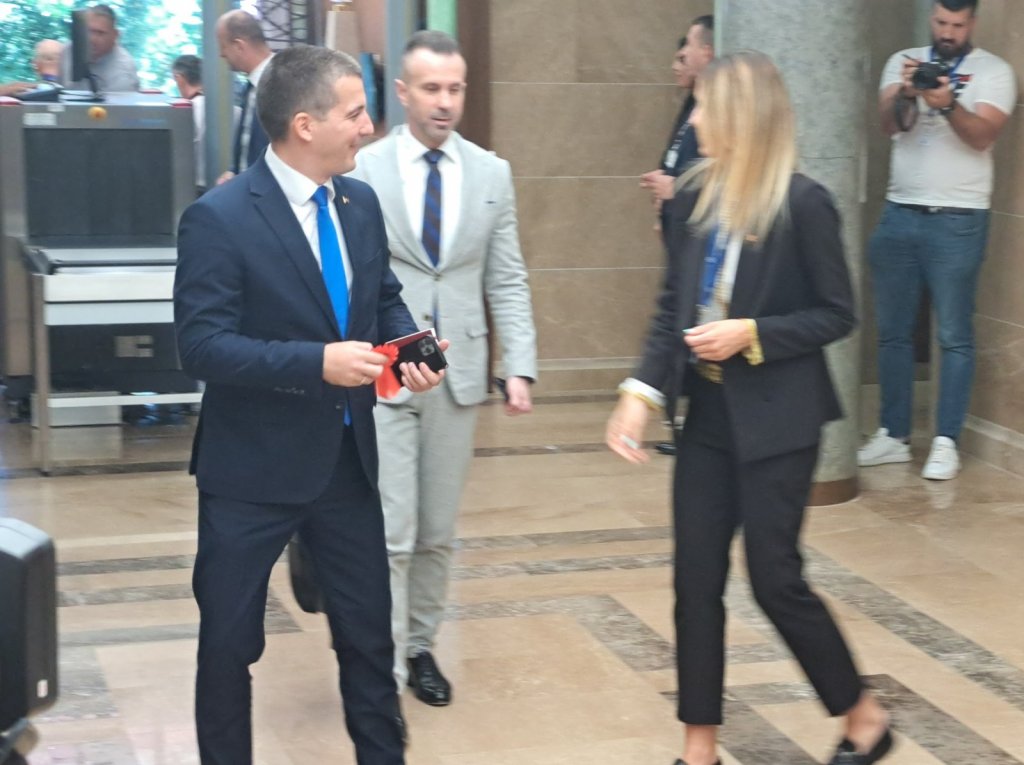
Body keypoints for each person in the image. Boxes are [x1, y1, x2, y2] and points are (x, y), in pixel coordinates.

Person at [605, 52, 892, 765]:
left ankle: (863, 715)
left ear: (740, 116)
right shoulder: (691, 201)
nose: (694, 119)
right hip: (706, 417)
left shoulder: (804, 204)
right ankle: (698, 748)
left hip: (779, 421)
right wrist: (639, 395)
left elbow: (838, 313)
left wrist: (753, 334)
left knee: (775, 580)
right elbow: (672, 308)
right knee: (694, 582)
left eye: (704, 107)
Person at [174, 44, 446, 764]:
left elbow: (382, 300)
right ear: (305, 124)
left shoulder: (359, 205)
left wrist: (409, 349)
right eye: (355, 113)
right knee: (227, 646)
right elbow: (201, 347)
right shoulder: (219, 218)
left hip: (346, 468)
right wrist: (315, 364)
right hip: (249, 476)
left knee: (369, 639)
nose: (368, 127)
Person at [348, 30, 537, 709]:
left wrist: (519, 364)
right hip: (386, 368)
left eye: (455, 88)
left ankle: (420, 646)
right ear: (403, 93)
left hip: (457, 372)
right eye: (431, 88)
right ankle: (386, 665)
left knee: (435, 531)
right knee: (392, 529)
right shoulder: (364, 168)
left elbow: (507, 276)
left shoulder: (491, 173)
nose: (445, 101)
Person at [859, 0, 1015, 480]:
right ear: (932, 17)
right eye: (942, 23)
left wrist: (947, 103)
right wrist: (908, 91)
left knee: (953, 333)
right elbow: (889, 125)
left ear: (972, 23)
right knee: (893, 331)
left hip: (958, 217)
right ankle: (893, 434)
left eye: (958, 25)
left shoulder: (993, 71)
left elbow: (982, 135)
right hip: (900, 211)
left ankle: (946, 440)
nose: (948, 33)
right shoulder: (903, 62)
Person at [640, 15, 715, 457]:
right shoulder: (689, 105)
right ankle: (675, 414)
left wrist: (678, 191)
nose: (679, 58)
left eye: (686, 47)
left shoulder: (804, 201)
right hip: (679, 230)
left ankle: (686, 417)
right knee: (675, 312)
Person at [214, 9, 273, 185]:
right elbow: (249, 142)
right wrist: (235, 172)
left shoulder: (286, 82)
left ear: (239, 46)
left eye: (223, 46)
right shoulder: (250, 87)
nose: (221, 54)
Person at [63, 4, 139, 92]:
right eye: (88, 31)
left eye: (100, 33)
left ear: (115, 36)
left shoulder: (123, 73)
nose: (92, 39)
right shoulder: (68, 50)